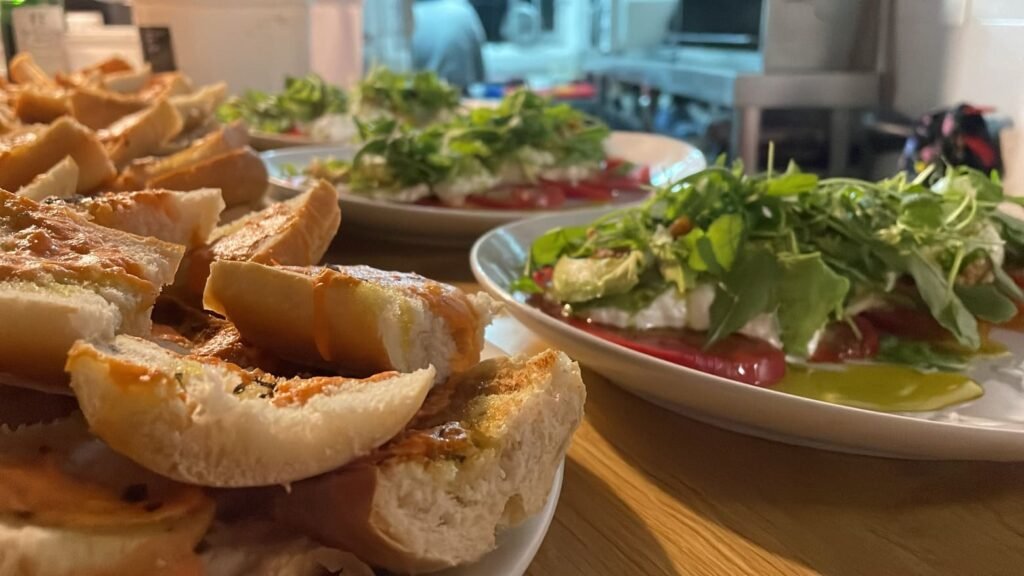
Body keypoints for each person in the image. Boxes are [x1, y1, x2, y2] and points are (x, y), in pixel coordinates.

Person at [411, 0, 486, 90]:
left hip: (418, 93)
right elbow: (479, 71)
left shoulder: (412, 14)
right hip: (461, 91)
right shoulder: (464, 10)